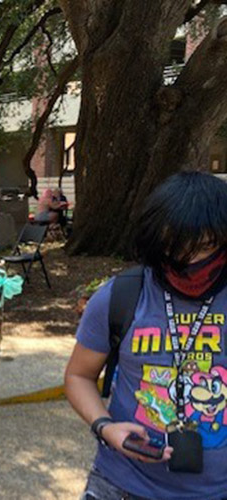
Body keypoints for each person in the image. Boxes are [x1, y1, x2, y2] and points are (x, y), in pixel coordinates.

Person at [65, 171, 227, 499]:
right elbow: (78, 376)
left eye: (206, 246)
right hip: (120, 483)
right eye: (177, 247)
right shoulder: (120, 295)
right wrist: (105, 427)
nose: (191, 261)